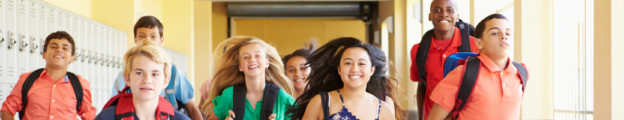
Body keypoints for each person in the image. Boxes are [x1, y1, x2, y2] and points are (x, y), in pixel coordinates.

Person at [427, 13, 529, 120]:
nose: (504, 36)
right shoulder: (462, 74)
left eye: (508, 33)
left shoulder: (522, 72)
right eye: (494, 33)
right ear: (479, 43)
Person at [288, 37, 405, 120]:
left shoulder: (383, 109)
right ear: (339, 69)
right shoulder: (321, 102)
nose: (354, 69)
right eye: (348, 63)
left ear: (372, 70)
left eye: (361, 64)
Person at [110, 16, 202, 120]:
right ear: (135, 39)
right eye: (142, 36)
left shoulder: (174, 74)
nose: (147, 40)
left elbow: (192, 108)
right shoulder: (124, 76)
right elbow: (115, 107)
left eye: (153, 36)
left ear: (161, 40)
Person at [1, 31, 97, 120]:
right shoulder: (27, 80)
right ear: (44, 54)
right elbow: (7, 109)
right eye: (54, 47)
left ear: (72, 58)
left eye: (65, 48)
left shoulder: (80, 84)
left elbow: (89, 115)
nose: (59, 50)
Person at [410, 0, 480, 119]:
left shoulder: (475, 45)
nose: (444, 14)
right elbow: (422, 85)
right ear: (429, 16)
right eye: (437, 10)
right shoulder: (419, 50)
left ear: (457, 17)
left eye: (449, 10)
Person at [201, 36, 295, 120]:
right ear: (240, 66)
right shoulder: (228, 96)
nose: (252, 59)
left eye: (257, 55)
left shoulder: (282, 99)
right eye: (246, 57)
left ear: (267, 62)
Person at [95, 41, 191, 120]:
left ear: (166, 81)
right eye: (139, 73)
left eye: (155, 74)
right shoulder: (106, 117)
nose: (147, 80)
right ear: (127, 78)